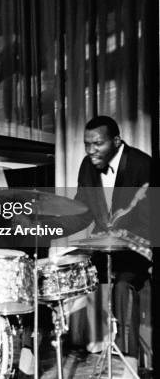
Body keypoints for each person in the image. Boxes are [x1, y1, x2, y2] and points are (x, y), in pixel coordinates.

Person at [74, 115, 151, 366]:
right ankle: (48, 354)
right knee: (62, 271)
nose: (91, 150)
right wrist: (44, 225)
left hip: (136, 247)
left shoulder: (143, 164)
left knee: (122, 286)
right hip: (102, 246)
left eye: (97, 144)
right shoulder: (88, 166)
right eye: (87, 144)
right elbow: (81, 212)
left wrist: (123, 234)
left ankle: (129, 361)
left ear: (116, 141)